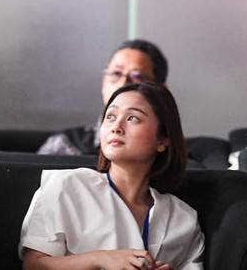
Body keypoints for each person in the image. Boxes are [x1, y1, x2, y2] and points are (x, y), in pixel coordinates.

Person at [20, 82, 205, 269]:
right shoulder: (65, 186)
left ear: (163, 141)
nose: (116, 127)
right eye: (110, 116)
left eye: (133, 118)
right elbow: (33, 265)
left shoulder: (183, 219)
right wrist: (97, 259)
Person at [37, 39, 168, 155]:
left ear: (161, 90)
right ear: (104, 82)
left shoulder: (170, 152)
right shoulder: (64, 145)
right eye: (116, 73)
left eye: (137, 76)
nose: (123, 83)